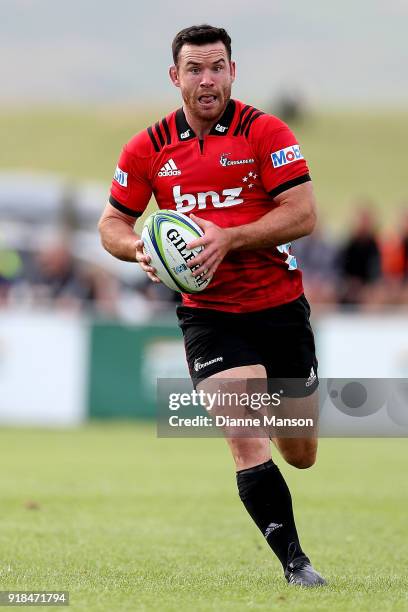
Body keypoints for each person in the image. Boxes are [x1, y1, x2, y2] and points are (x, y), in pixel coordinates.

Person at [98, 24, 326, 587]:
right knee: (244, 436)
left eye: (217, 66)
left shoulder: (265, 132)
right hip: (209, 314)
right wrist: (138, 249)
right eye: (195, 69)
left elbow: (302, 214)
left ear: (233, 70)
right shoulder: (148, 147)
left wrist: (228, 237)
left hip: (279, 307)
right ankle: (296, 565)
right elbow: (112, 224)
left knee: (299, 452)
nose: (207, 79)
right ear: (176, 77)